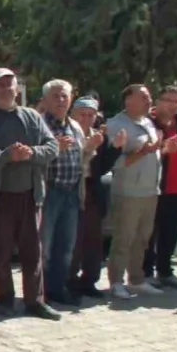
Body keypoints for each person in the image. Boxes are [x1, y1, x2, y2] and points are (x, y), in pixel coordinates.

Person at [0, 68, 61, 320]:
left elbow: (52, 147)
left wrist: (31, 153)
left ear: (17, 89)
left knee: (33, 253)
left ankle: (35, 301)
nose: (6, 89)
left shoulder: (32, 117)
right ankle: (5, 300)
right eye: (1, 85)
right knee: (1, 253)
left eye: (10, 84)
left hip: (30, 195)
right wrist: (4, 156)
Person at [39, 80, 101, 306]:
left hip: (72, 192)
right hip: (49, 192)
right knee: (44, 247)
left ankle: (58, 289)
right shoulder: (38, 125)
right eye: (55, 96)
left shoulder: (74, 126)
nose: (61, 100)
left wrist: (90, 149)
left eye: (64, 96)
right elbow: (32, 158)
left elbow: (81, 159)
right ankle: (40, 292)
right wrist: (53, 148)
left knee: (65, 247)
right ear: (45, 100)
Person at [104, 85, 166, 299]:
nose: (149, 101)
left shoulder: (148, 122)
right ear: (128, 100)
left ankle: (137, 280)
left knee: (142, 239)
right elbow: (114, 162)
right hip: (128, 192)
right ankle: (116, 282)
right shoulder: (115, 125)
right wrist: (143, 151)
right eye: (144, 97)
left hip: (150, 190)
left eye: (149, 97)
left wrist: (163, 149)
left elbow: (152, 153)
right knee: (124, 238)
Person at [143, 85, 177, 289]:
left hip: (176, 187)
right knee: (149, 233)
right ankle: (145, 273)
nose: (172, 105)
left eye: (176, 101)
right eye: (168, 100)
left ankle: (165, 271)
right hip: (154, 186)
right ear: (158, 101)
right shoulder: (148, 123)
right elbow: (142, 153)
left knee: (170, 232)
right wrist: (163, 149)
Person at [68, 97, 121, 298]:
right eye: (82, 114)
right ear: (73, 115)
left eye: (90, 115)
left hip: (93, 190)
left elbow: (103, 167)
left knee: (93, 239)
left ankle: (89, 280)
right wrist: (87, 148)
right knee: (74, 239)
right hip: (73, 189)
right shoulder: (68, 134)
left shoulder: (99, 136)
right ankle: (69, 280)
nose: (86, 118)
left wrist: (116, 148)